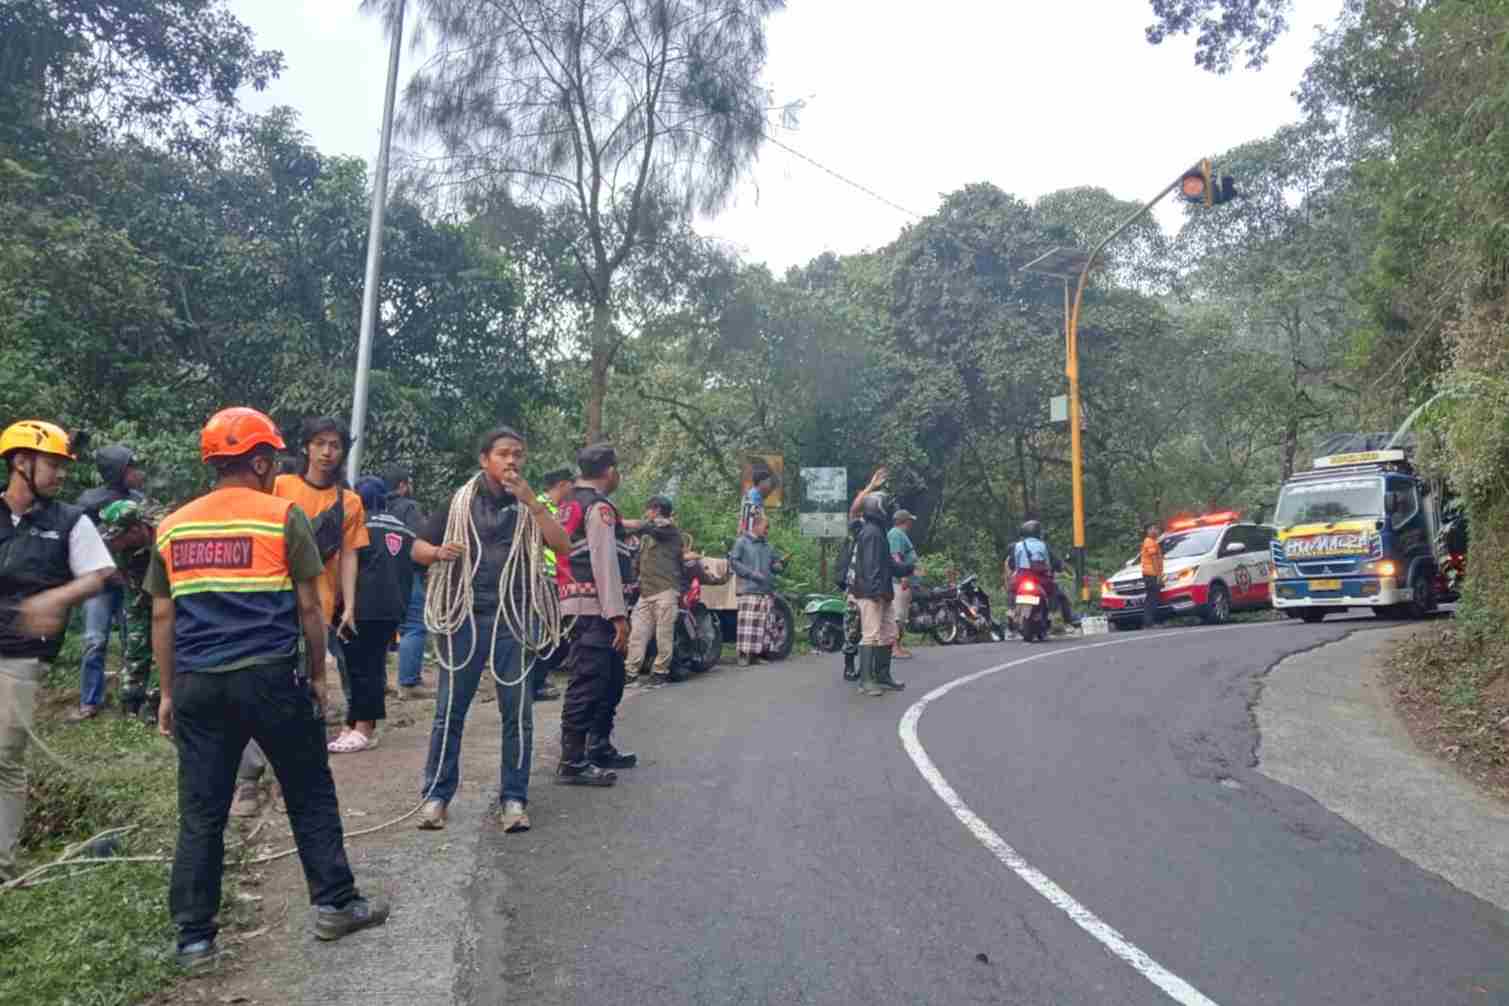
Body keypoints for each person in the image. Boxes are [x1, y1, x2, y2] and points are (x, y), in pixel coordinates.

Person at [147, 407, 387, 965]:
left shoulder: (174, 525)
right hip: (271, 679)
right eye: (270, 458)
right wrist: (321, 677)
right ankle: (335, 904)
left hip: (198, 686)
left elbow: (164, 618)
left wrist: (166, 694)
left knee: (202, 810)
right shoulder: (281, 517)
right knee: (308, 792)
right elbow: (308, 605)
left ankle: (195, 939)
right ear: (258, 460)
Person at [411, 428, 572, 833]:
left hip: (513, 619)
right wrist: (437, 552)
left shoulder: (529, 507)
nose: (512, 461)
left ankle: (514, 799)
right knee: (450, 710)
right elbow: (417, 548)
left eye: (518, 454)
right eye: (503, 454)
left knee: (518, 713)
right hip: (463, 616)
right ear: (485, 459)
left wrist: (533, 502)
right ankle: (436, 796)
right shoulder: (459, 500)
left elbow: (563, 545)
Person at [0, 421, 115, 882]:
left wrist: (55, 598)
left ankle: (3, 866)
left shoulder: (69, 521)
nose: (61, 475)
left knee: (5, 755)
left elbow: (100, 573)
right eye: (52, 464)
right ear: (20, 462)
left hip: (20, 654)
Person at [274, 418, 368, 733]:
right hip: (276, 594)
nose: (327, 452)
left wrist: (350, 604)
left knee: (311, 672)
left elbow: (350, 554)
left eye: (335, 445)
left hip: (321, 602)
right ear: (306, 447)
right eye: (320, 443)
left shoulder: (349, 501)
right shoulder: (281, 486)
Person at [555, 443, 637, 785]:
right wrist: (618, 616)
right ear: (610, 471)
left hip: (581, 604)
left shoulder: (570, 503)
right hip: (595, 609)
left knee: (610, 679)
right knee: (588, 682)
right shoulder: (598, 507)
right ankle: (573, 760)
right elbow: (604, 562)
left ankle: (598, 745)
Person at [328, 477, 415, 754]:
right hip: (391, 607)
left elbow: (344, 564)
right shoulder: (400, 526)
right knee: (370, 667)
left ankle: (364, 728)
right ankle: (354, 724)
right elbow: (417, 554)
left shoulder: (358, 524)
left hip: (361, 607)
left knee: (360, 670)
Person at [71, 443, 146, 720]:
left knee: (133, 642)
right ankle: (90, 701)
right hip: (99, 584)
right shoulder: (88, 503)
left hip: (130, 582)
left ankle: (132, 702)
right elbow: (79, 543)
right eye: (131, 467)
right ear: (117, 471)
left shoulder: (138, 500)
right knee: (94, 641)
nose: (136, 472)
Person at [97, 498, 165, 721]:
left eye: (117, 537)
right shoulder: (121, 549)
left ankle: (155, 701)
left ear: (136, 529)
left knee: (165, 643)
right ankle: (131, 702)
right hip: (139, 593)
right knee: (136, 642)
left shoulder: (165, 535)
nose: (113, 543)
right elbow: (129, 582)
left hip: (170, 596)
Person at [847, 468, 910, 696]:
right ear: (879, 508)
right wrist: (870, 487)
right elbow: (854, 511)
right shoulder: (867, 531)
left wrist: (906, 568)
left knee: (889, 633)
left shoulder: (880, 532)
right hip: (871, 592)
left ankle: (882, 675)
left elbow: (885, 564)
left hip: (881, 591)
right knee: (871, 634)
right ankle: (866, 681)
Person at [624, 495, 685, 688]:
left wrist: (621, 521)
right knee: (637, 635)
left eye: (648, 509)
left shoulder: (670, 531)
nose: (646, 513)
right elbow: (639, 560)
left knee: (663, 635)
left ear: (657, 510)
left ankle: (660, 672)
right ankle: (630, 673)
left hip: (666, 590)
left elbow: (648, 527)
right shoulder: (648, 536)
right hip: (646, 592)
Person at [384, 466, 433, 701]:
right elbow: (418, 540)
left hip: (377, 576)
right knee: (414, 625)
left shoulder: (376, 506)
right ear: (403, 486)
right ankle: (409, 682)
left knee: (381, 628)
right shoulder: (408, 507)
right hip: (406, 573)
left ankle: (380, 683)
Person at [529, 468, 575, 702]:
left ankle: (538, 680)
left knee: (557, 636)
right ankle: (534, 684)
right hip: (540, 579)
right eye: (572, 486)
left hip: (556, 579)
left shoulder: (558, 509)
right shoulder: (539, 506)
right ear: (563, 485)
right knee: (543, 635)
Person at [728, 513, 785, 667]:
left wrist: (779, 566)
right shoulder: (742, 542)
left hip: (766, 590)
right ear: (756, 525)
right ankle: (743, 656)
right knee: (747, 625)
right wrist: (751, 574)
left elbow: (775, 565)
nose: (767, 531)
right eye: (766, 528)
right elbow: (733, 562)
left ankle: (757, 655)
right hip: (748, 589)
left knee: (762, 626)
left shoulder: (768, 546)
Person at [1006, 520, 1079, 629]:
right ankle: (1058, 615)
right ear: (1038, 533)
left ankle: (1012, 610)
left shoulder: (1018, 546)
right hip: (1040, 579)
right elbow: (1050, 563)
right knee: (1057, 592)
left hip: (1021, 578)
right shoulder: (1043, 545)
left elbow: (1013, 564)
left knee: (1012, 589)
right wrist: (1056, 569)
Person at [887, 509, 921, 660]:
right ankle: (894, 648)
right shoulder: (895, 534)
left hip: (904, 582)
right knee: (898, 615)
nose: (911, 523)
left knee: (902, 616)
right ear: (905, 521)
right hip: (898, 583)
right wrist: (903, 577)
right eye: (910, 520)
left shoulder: (900, 534)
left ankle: (897, 646)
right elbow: (895, 556)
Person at [739, 467, 779, 535]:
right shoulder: (753, 497)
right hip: (749, 537)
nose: (770, 485)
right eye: (768, 482)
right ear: (761, 482)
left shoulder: (757, 496)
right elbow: (751, 520)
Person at [1141, 522, 1164, 629]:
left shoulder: (1152, 541)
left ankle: (1148, 622)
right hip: (1151, 574)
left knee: (1151, 598)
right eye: (1153, 528)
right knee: (1152, 598)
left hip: (1150, 573)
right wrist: (1158, 575)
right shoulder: (1149, 541)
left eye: (1156, 528)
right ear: (1148, 531)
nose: (1155, 530)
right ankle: (1149, 623)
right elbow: (1154, 559)